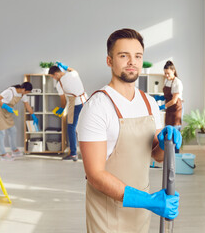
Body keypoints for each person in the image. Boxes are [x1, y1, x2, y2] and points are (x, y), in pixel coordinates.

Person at [77, 28, 182, 232]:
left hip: (141, 211)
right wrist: (149, 201)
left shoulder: (149, 102)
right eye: (123, 55)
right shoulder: (97, 106)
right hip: (107, 213)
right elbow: (94, 174)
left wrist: (164, 143)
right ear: (109, 61)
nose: (132, 62)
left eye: (137, 56)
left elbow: (157, 156)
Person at [48, 62, 87, 161]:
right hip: (86, 100)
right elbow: (72, 69)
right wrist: (66, 67)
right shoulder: (73, 73)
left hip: (74, 104)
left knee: (71, 128)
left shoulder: (59, 84)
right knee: (85, 126)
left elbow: (63, 100)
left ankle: (73, 153)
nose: (54, 79)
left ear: (56, 74)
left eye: (52, 77)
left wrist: (61, 109)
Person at [0, 82, 37, 161]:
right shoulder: (9, 91)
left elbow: (27, 105)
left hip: (7, 113)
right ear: (23, 89)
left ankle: (14, 150)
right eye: (27, 92)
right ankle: (3, 154)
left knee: (13, 130)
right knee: (1, 133)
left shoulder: (22, 94)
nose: (27, 94)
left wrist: (33, 115)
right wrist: (7, 107)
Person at [155, 60, 184, 153]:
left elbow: (174, 100)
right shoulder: (167, 81)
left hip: (176, 110)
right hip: (169, 110)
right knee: (167, 133)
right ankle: (168, 156)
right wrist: (160, 97)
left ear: (173, 71)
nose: (166, 76)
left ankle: (176, 157)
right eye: (165, 73)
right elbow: (168, 96)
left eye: (168, 73)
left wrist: (162, 107)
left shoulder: (177, 82)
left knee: (175, 135)